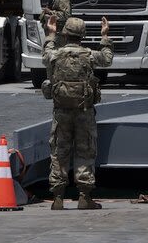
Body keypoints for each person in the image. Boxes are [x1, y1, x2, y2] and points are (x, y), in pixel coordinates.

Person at [42, 14, 114, 210]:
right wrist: (105, 36)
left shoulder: (56, 54)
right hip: (84, 111)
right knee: (85, 150)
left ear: (65, 34)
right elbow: (107, 59)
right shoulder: (89, 55)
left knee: (59, 151)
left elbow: (46, 55)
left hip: (61, 111)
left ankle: (58, 197)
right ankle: (84, 196)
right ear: (82, 35)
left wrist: (50, 34)